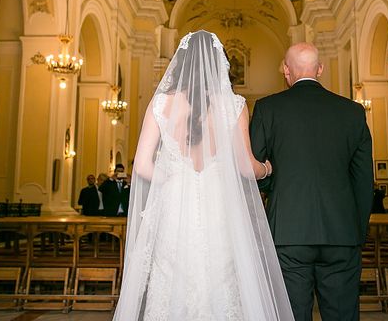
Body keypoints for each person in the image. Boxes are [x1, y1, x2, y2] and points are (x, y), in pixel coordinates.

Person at [113, 30, 293, 320]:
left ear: (181, 62)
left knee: (171, 279)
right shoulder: (234, 105)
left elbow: (142, 165)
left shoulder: (161, 104)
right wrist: (268, 167)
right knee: (221, 280)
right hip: (219, 206)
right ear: (219, 62)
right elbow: (247, 167)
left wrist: (170, 179)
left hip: (173, 208)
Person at [250, 42, 373, 321]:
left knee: (291, 315)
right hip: (342, 234)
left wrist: (277, 184)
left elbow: (254, 171)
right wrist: (357, 232)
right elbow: (364, 180)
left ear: (285, 69)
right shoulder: (352, 112)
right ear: (320, 69)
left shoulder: (268, 108)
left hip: (287, 233)